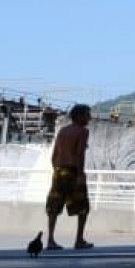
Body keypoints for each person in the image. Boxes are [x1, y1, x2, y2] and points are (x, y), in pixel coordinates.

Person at [41, 104, 94, 251]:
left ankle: (50, 240)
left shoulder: (63, 131)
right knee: (83, 207)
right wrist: (80, 174)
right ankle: (79, 240)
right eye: (87, 114)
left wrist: (57, 170)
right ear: (79, 116)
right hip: (73, 171)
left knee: (54, 206)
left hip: (58, 171)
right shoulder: (83, 132)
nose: (89, 117)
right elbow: (79, 154)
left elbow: (54, 155)